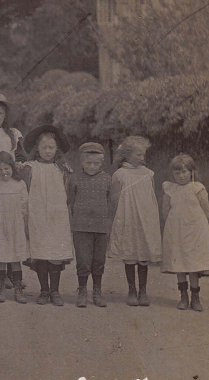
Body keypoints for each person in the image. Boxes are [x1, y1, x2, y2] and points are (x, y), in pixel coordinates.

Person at [21, 125, 74, 306]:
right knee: (40, 253)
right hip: (37, 216)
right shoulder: (30, 168)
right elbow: (25, 192)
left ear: (56, 148)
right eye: (44, 148)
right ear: (37, 149)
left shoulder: (62, 169)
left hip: (56, 217)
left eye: (51, 147)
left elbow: (67, 194)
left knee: (55, 253)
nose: (48, 151)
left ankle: (55, 291)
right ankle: (43, 290)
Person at [108, 136, 162, 307]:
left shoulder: (148, 174)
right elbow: (114, 198)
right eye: (138, 155)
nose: (142, 158)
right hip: (127, 217)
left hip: (145, 219)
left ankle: (143, 291)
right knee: (130, 254)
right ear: (127, 154)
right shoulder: (120, 174)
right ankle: (132, 290)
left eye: (143, 155)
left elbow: (151, 198)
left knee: (143, 255)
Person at [161, 154, 209, 312]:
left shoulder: (197, 188)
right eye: (177, 172)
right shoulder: (170, 189)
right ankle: (183, 296)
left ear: (192, 172)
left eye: (184, 172)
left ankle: (195, 297)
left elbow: (205, 210)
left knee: (193, 264)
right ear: (172, 174)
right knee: (179, 264)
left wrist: (198, 225)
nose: (181, 176)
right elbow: (165, 211)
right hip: (176, 231)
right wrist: (173, 225)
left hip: (195, 232)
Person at [66, 142, 112, 308]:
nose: (92, 167)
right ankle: (83, 290)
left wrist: (108, 224)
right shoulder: (75, 179)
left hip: (100, 227)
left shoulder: (107, 179)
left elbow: (110, 201)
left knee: (99, 260)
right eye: (88, 163)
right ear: (81, 162)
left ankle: (97, 291)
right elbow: (69, 200)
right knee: (83, 260)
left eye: (96, 163)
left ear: (102, 163)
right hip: (81, 227)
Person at [0, 151, 28, 304]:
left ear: (13, 168)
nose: (4, 172)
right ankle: (1, 288)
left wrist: (24, 228)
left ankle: (18, 289)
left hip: (15, 226)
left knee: (16, 258)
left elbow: (24, 208)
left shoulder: (20, 184)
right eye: (0, 170)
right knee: (1, 257)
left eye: (7, 168)